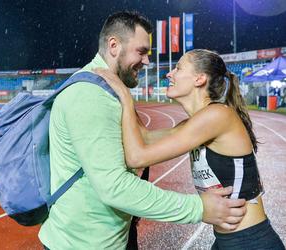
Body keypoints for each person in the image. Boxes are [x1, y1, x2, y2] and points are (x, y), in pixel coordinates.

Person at [38, 12, 247, 250]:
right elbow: (115, 187)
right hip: (83, 244)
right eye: (141, 51)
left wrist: (127, 101)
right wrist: (198, 208)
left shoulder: (107, 90)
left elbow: (146, 141)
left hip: (108, 238)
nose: (148, 61)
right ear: (114, 45)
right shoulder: (90, 95)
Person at [95, 49, 285, 249]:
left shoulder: (217, 116)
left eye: (178, 68)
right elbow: (145, 137)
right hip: (226, 241)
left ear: (199, 79)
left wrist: (125, 96)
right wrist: (122, 88)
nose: (169, 74)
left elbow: (137, 157)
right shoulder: (194, 123)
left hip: (251, 242)